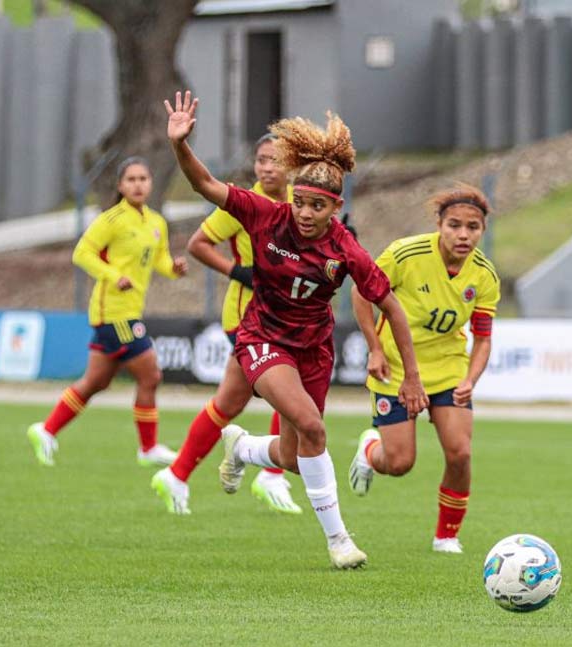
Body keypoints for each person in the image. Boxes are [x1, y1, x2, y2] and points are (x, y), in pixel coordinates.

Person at [152, 91, 429, 570]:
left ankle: (243, 447)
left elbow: (391, 306)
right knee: (313, 427)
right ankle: (340, 541)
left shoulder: (348, 251)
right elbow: (205, 185)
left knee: (297, 455)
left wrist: (411, 376)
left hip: (312, 349)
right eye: (299, 201)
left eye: (315, 206)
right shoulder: (267, 215)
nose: (303, 212)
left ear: (334, 208)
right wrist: (180, 145)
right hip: (261, 337)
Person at [347, 183, 500, 555]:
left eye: (473, 227)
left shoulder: (484, 275)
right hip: (396, 370)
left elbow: (482, 338)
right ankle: (370, 450)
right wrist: (375, 349)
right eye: (454, 225)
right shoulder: (405, 253)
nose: (463, 235)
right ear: (439, 224)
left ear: (482, 229)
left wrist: (470, 379)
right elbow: (360, 293)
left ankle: (446, 535)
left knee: (460, 453)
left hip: (448, 370)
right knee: (399, 463)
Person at [27, 157, 188, 467]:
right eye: (131, 179)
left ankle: (46, 430)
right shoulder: (111, 220)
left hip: (129, 311)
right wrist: (115, 276)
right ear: (120, 186)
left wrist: (174, 269)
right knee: (151, 375)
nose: (138, 184)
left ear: (151, 183)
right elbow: (82, 254)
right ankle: (148, 448)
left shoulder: (156, 222)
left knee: (95, 382)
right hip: (113, 312)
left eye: (143, 178)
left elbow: (160, 262)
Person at [185, 134, 301, 515]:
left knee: (230, 404)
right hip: (246, 318)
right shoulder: (242, 203)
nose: (266, 167)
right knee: (283, 392)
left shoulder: (300, 203)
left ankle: (175, 474)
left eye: (275, 160)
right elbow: (198, 244)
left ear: (291, 166)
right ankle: (269, 473)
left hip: (282, 316)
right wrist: (238, 272)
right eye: (261, 159)